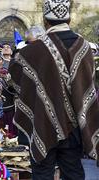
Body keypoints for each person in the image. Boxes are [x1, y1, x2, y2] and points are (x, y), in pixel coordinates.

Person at [9, 0, 99, 179]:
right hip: (74, 128)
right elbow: (88, 87)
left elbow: (14, 77)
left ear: (45, 21)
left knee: (42, 174)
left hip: (43, 125)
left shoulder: (31, 52)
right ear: (69, 20)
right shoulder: (86, 48)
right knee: (73, 173)